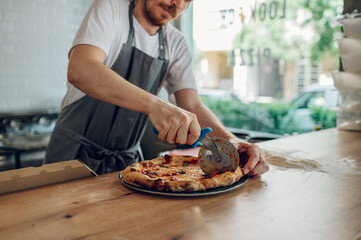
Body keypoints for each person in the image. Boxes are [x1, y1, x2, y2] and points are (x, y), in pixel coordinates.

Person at [44, 0, 269, 176]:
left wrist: (232, 140)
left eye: (187, 0)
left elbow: (192, 105)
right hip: (71, 158)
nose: (178, 4)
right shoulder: (111, 7)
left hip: (125, 164)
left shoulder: (176, 43)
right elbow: (81, 69)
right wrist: (155, 105)